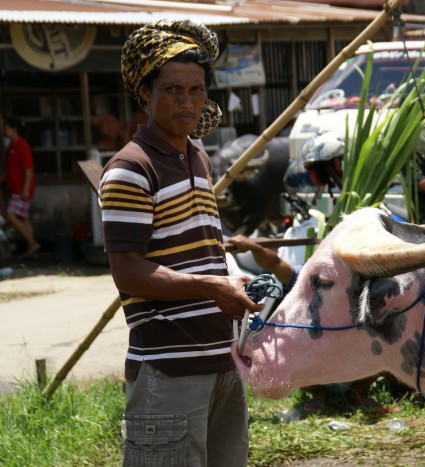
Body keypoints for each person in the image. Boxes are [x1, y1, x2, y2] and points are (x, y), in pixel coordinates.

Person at [98, 19, 264, 467]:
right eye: (172, 90)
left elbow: (198, 249)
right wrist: (211, 288)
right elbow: (127, 270)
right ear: (145, 94)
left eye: (196, 90)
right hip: (169, 368)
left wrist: (231, 276)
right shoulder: (131, 169)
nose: (187, 101)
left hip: (222, 360)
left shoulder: (197, 156)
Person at [226, 235, 380, 414]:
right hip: (314, 372)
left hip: (354, 371)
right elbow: (275, 264)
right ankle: (319, 396)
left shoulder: (362, 288)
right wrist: (253, 248)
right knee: (295, 349)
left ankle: (358, 394)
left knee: (381, 344)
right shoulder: (305, 280)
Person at [2, 116, 40, 258]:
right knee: (24, 219)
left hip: (21, 190)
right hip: (16, 188)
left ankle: (33, 243)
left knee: (10, 215)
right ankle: (32, 247)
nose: (4, 130)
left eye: (6, 128)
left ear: (14, 130)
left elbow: (28, 169)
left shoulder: (22, 145)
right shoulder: (11, 146)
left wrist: (25, 189)